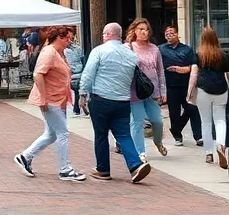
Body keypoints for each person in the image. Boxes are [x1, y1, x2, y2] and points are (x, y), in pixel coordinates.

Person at [79, 22, 151, 183]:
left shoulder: (99, 51)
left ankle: (103, 169)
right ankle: (135, 164)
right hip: (123, 101)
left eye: (104, 34)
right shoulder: (131, 55)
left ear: (107, 35)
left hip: (101, 99)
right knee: (123, 134)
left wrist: (83, 95)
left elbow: (88, 75)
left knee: (101, 134)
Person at [15, 26, 86, 181]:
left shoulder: (58, 53)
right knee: (62, 133)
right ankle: (65, 168)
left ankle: (25, 157)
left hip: (57, 98)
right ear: (59, 37)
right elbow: (38, 74)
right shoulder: (49, 52)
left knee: (51, 134)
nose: (69, 41)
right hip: (50, 99)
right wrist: (43, 97)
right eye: (67, 38)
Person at [188, 26, 229, 168]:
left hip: (203, 91)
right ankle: (221, 146)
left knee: (205, 123)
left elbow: (194, 75)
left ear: (202, 39)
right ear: (216, 39)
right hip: (221, 90)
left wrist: (189, 92)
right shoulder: (223, 55)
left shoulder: (198, 55)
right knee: (220, 121)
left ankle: (208, 153)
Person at [125, 18, 167, 161]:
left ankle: (158, 141)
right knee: (137, 122)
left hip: (151, 91)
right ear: (134, 31)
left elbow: (160, 72)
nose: (144, 32)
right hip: (135, 91)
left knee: (157, 121)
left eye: (147, 29)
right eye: (141, 29)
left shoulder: (155, 49)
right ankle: (140, 152)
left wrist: (163, 91)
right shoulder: (128, 47)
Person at [160, 24, 202, 147]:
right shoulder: (161, 49)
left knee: (192, 110)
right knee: (174, 113)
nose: (169, 35)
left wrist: (181, 69)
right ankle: (178, 136)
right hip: (170, 87)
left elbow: (193, 67)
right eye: (166, 34)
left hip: (186, 86)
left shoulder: (186, 49)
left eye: (171, 33)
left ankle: (198, 136)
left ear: (177, 34)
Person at [64, 29, 85, 115]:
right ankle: (76, 108)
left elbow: (81, 59)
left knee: (76, 90)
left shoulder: (77, 48)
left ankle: (76, 108)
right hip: (72, 72)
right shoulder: (74, 48)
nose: (69, 39)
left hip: (76, 72)